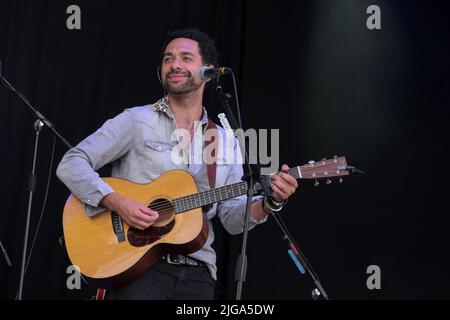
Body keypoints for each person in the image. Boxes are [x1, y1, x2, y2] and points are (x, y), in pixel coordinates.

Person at [56, 28, 298, 300]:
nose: (175, 64)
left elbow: (231, 218)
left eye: (185, 57)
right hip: (139, 269)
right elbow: (71, 163)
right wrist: (115, 202)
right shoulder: (136, 121)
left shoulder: (226, 140)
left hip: (199, 275)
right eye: (168, 59)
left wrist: (270, 203)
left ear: (208, 70)